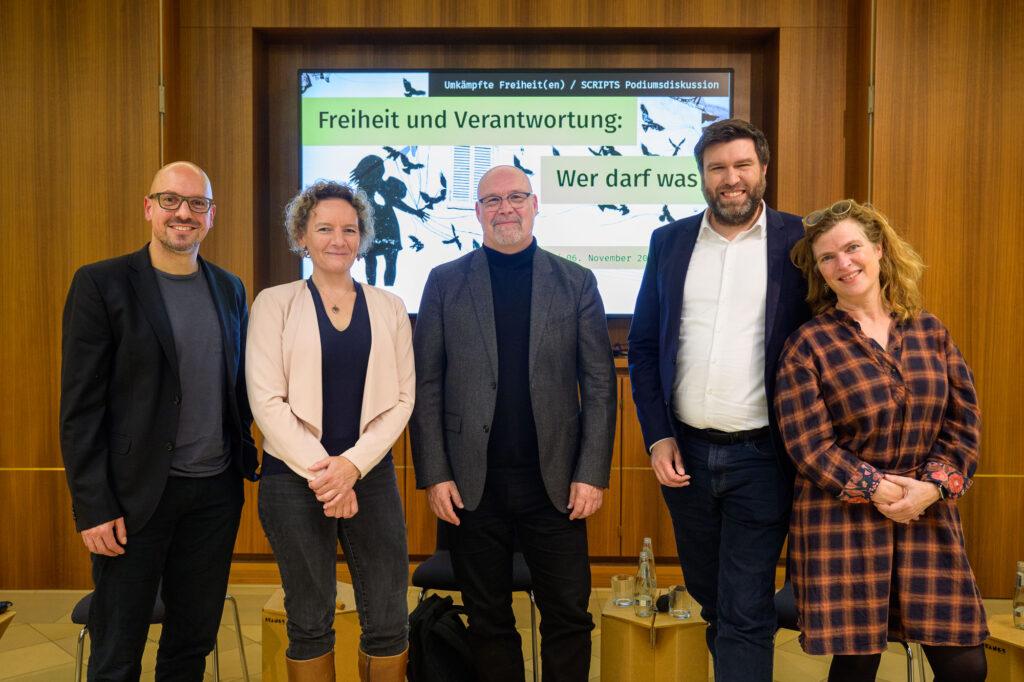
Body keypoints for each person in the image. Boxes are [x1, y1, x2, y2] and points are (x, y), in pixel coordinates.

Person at [410, 164, 616, 681]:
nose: (506, 209)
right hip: (471, 486)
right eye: (493, 200)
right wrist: (435, 474)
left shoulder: (575, 282)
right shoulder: (444, 282)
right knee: (488, 620)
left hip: (556, 486)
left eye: (516, 197)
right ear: (477, 211)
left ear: (535, 205)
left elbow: (598, 384)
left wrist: (591, 473)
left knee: (568, 616)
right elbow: (426, 384)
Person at [59, 161, 258, 680]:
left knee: (190, 646)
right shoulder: (101, 284)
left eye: (196, 203)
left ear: (211, 216)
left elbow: (238, 387)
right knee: (117, 652)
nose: (183, 213)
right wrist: (93, 507)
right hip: (132, 501)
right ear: (149, 208)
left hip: (214, 495)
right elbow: (80, 409)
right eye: (170, 200)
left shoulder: (230, 288)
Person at [627, 119, 810, 680]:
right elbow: (644, 346)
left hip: (763, 458)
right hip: (686, 457)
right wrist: (658, 436)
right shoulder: (669, 241)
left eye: (742, 165)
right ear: (703, 176)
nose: (731, 178)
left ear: (763, 169)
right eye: (718, 168)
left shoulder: (801, 241)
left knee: (746, 608)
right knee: (713, 598)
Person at [774, 199, 987, 681]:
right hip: (842, 520)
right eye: (828, 257)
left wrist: (931, 488)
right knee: (857, 663)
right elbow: (807, 444)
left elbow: (964, 421)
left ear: (879, 249)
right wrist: (878, 489)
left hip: (927, 513)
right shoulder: (808, 344)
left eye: (852, 248)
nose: (843, 263)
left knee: (966, 665)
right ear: (819, 272)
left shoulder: (930, 331)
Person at [246, 180, 413, 681]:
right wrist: (328, 474)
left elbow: (402, 399)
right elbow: (265, 400)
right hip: (293, 480)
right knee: (309, 622)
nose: (338, 239)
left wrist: (352, 467)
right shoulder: (274, 303)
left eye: (349, 229)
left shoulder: (389, 306)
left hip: (370, 476)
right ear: (302, 235)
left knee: (389, 620)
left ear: (362, 238)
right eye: (324, 229)